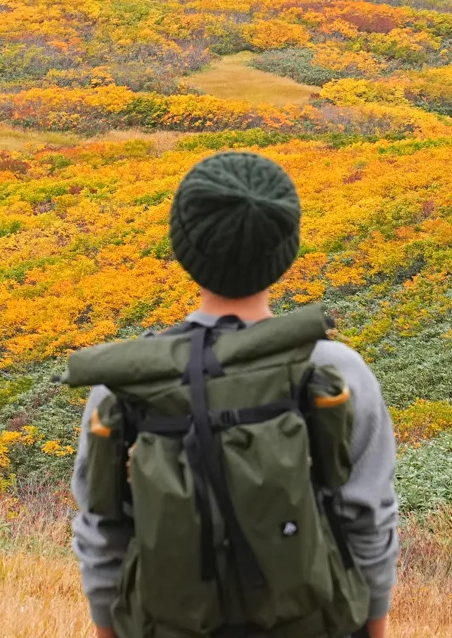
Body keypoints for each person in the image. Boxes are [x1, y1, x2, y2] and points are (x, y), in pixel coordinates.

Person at [69, 150, 399, 638]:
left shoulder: (126, 382)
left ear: (184, 248)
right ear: (286, 251)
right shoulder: (334, 369)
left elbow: (103, 531)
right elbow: (367, 517)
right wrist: (374, 628)